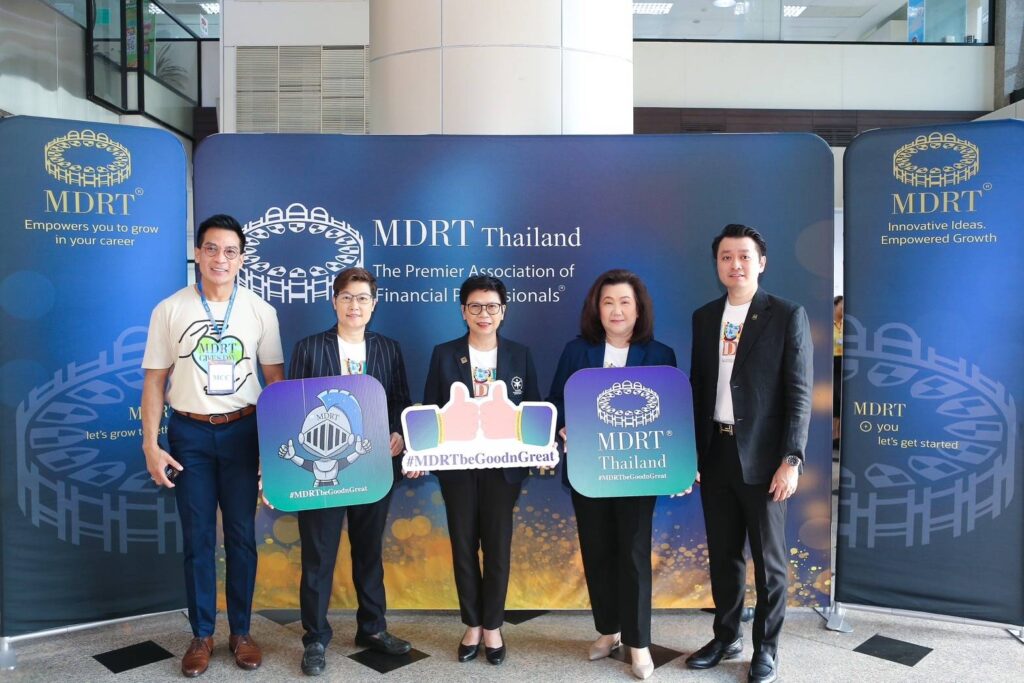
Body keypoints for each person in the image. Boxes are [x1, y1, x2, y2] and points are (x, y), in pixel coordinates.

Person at [141, 214, 284, 678]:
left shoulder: (261, 311)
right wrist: (150, 444)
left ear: (241, 259)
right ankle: (202, 634)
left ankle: (241, 632)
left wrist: (273, 449)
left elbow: (275, 382)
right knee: (198, 537)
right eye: (211, 249)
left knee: (241, 536)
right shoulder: (170, 309)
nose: (220, 258)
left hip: (244, 432)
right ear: (197, 253)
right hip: (190, 435)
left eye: (230, 251)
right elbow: (155, 381)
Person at [686, 224, 812, 683]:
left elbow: (799, 394)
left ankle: (767, 649)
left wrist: (791, 460)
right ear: (717, 264)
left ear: (761, 262)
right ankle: (726, 637)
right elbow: (698, 387)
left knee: (770, 563)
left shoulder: (786, 314)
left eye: (743, 256)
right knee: (724, 556)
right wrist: (690, 454)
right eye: (726, 257)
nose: (734, 264)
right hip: (715, 452)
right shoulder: (704, 317)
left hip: (764, 459)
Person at [547, 269, 677, 681]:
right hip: (590, 471)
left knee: (634, 555)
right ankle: (608, 630)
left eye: (624, 302)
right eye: (608, 302)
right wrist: (562, 426)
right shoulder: (576, 351)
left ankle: (638, 643)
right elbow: (556, 401)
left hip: (638, 473)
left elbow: (673, 411)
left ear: (639, 310)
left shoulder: (660, 354)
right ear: (596, 309)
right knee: (598, 551)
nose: (616, 310)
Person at [286, 267, 413, 676]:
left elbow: (400, 400)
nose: (354, 305)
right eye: (346, 297)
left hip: (373, 467)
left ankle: (372, 628)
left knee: (368, 550)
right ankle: (315, 638)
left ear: (373, 304)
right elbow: (293, 408)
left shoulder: (388, 348)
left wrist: (399, 435)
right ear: (334, 301)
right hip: (322, 472)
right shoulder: (309, 348)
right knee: (318, 554)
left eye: (362, 298)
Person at [423, 275, 540, 666]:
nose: (483, 314)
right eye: (475, 306)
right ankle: (471, 624)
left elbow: (533, 409)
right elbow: (430, 410)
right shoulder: (444, 354)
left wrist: (540, 449)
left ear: (503, 311)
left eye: (491, 306)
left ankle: (493, 626)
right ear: (463, 311)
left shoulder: (520, 354)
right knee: (463, 545)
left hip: (503, 471)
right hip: (457, 469)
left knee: (497, 546)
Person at [832, 295, 844, 450]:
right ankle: (834, 436)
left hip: (844, 364)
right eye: (842, 306)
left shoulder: (847, 325)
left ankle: (839, 437)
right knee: (834, 401)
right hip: (832, 363)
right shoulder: (829, 324)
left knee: (841, 401)